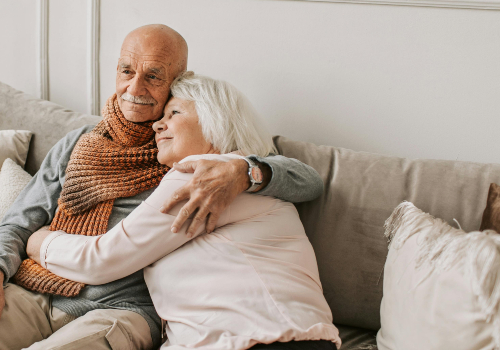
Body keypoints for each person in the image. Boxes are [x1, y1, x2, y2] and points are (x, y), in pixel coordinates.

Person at [0, 25, 324, 350]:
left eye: (153, 77)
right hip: (35, 289)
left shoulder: (192, 160)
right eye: (126, 71)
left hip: (122, 310)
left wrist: (243, 172)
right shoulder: (78, 144)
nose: (134, 89)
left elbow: (305, 179)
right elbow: (19, 221)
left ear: (179, 79)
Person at [26, 72, 341, 350]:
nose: (158, 125)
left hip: (270, 341)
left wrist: (39, 242)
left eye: (174, 113)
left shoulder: (203, 175)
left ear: (215, 121)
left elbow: (102, 259)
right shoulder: (243, 176)